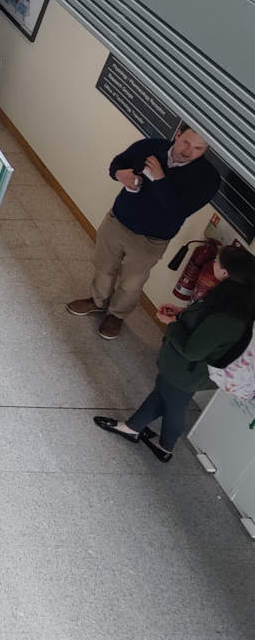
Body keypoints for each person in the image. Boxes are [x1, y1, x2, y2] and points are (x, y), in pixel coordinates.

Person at [95, 245, 255, 460]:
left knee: (174, 407)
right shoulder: (234, 297)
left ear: (225, 272)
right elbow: (204, 321)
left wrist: (171, 323)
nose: (213, 264)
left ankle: (165, 448)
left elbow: (192, 351)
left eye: (217, 261)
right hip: (184, 370)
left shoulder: (228, 318)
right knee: (162, 393)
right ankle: (132, 428)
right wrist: (181, 314)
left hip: (187, 371)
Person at [67, 124, 221, 339]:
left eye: (199, 148)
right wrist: (120, 174)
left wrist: (159, 178)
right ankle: (97, 301)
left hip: (151, 240)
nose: (189, 151)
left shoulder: (208, 178)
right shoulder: (150, 146)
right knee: (103, 267)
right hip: (116, 221)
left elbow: (178, 210)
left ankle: (116, 316)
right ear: (177, 134)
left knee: (132, 283)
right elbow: (118, 163)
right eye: (186, 142)